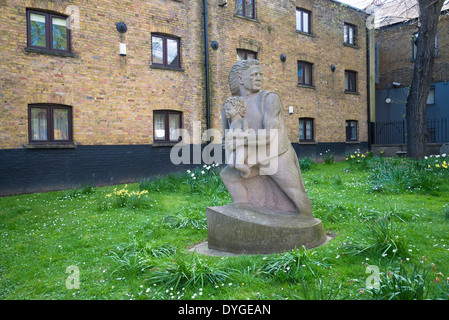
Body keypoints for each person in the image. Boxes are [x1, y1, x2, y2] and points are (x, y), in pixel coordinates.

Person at [220, 59, 313, 217]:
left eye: (260, 75)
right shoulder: (230, 106)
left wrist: (240, 140)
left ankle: (307, 221)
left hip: (276, 154)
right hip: (250, 156)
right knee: (228, 175)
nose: (259, 78)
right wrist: (229, 144)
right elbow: (227, 137)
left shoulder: (269, 98)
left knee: (293, 191)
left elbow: (271, 135)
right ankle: (244, 212)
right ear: (241, 79)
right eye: (254, 74)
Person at [223, 96, 254, 178]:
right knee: (231, 164)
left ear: (237, 110)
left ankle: (247, 172)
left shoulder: (243, 121)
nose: (226, 112)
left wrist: (233, 135)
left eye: (228, 109)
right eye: (225, 110)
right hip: (234, 147)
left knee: (238, 165)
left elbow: (246, 133)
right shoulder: (231, 123)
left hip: (242, 147)